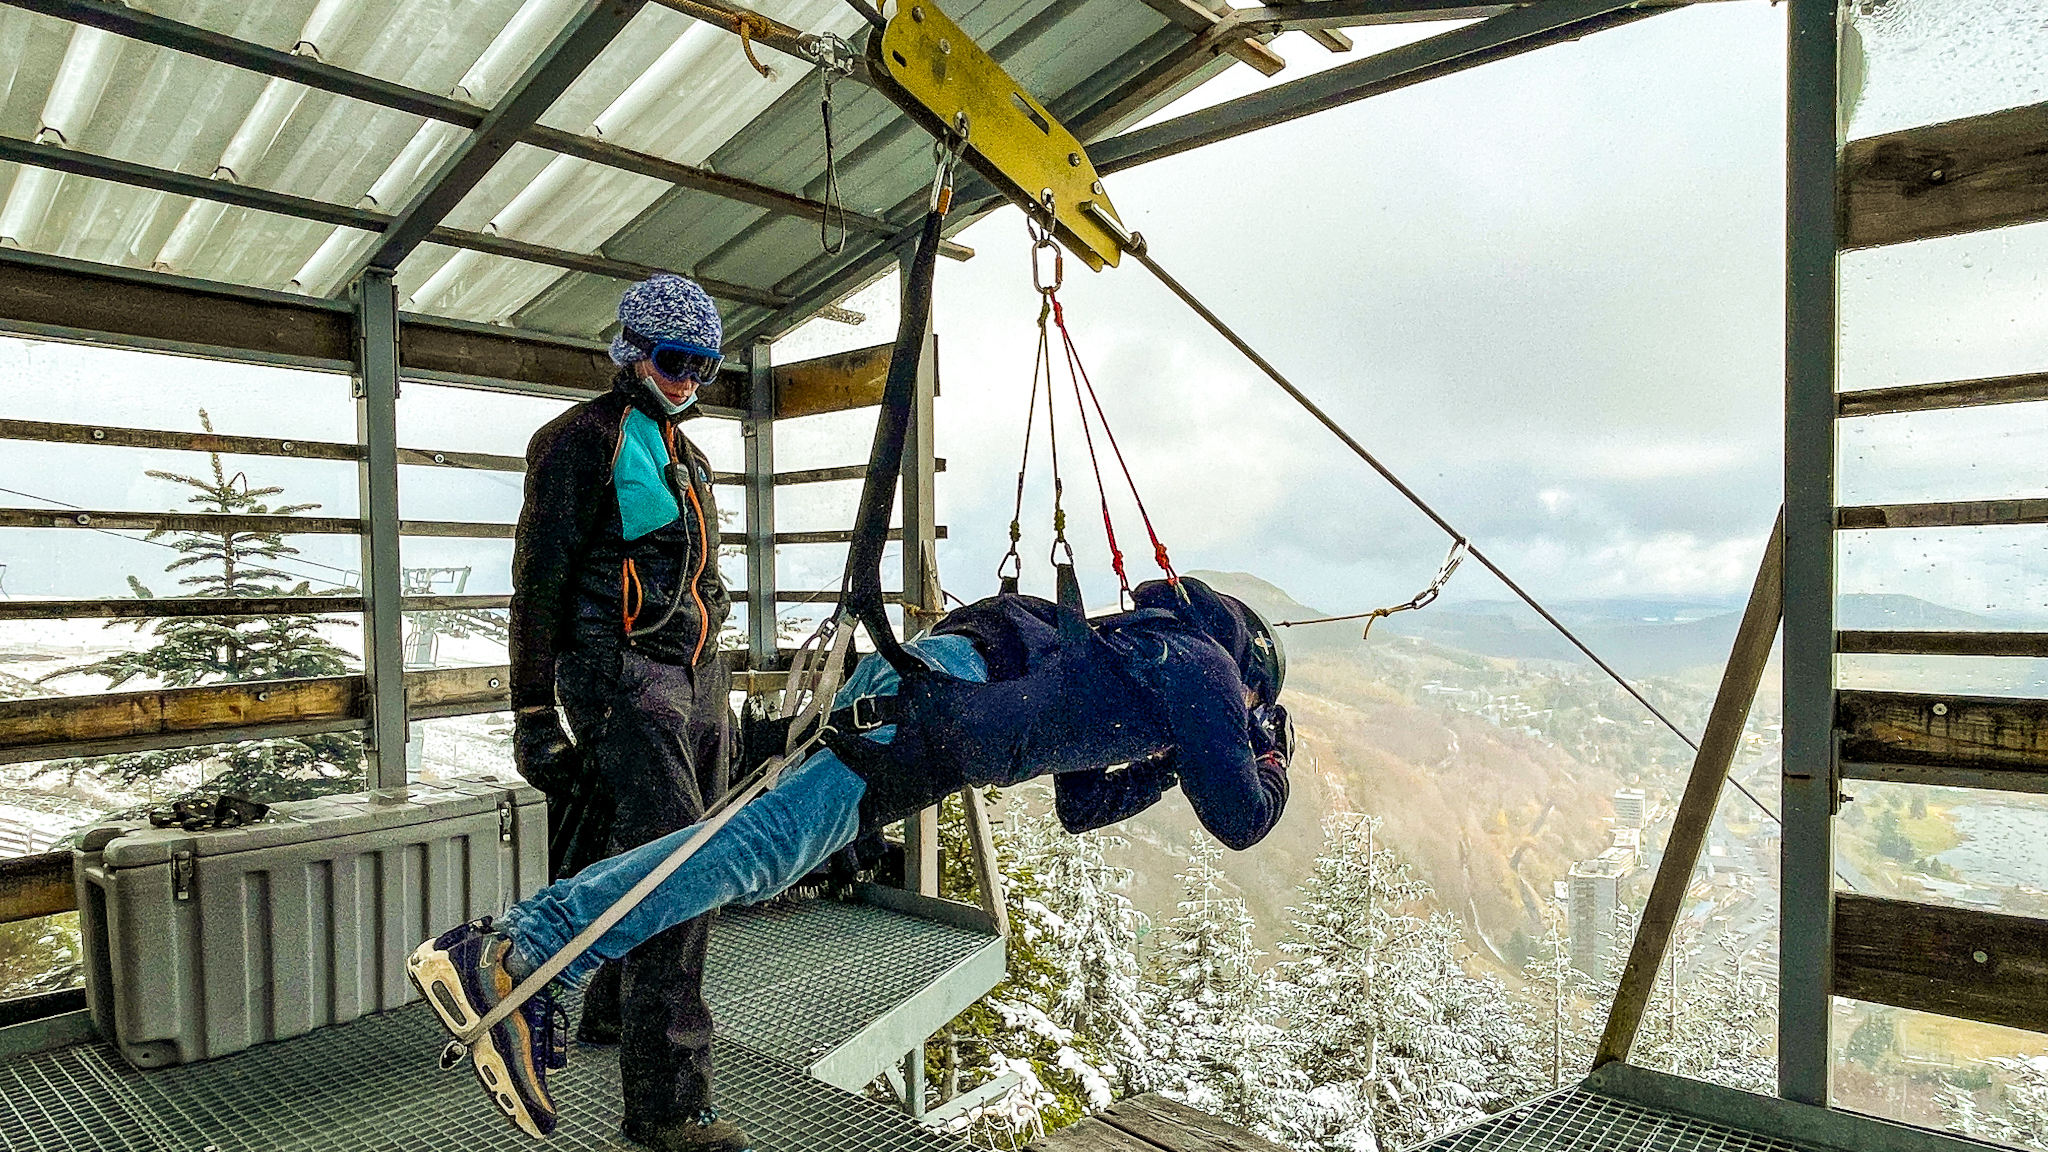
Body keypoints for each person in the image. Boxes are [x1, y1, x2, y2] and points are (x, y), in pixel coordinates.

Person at [414, 576, 1294, 1143]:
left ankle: (529, 955)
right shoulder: (1207, 667)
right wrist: (1269, 755)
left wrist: (1172, 761)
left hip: (930, 696)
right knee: (750, 852)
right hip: (931, 711)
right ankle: (519, 953)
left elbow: (1081, 803)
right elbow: (1244, 820)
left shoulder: (1150, 652)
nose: (1248, 711)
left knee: (748, 850)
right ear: (1251, 670)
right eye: (1257, 701)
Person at [504, 273, 742, 1151]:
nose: (688, 382)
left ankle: (606, 1008)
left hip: (691, 673)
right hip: (617, 673)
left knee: (643, 845)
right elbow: (539, 581)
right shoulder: (577, 442)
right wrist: (533, 710)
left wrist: (716, 672)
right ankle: (669, 1108)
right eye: (677, 362)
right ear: (631, 351)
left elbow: (704, 577)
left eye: (706, 369)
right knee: (681, 870)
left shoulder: (688, 455)